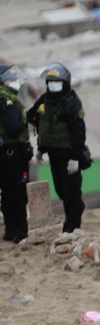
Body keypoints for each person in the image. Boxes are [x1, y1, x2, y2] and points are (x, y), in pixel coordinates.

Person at [27, 63, 88, 234]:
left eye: (57, 82)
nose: (53, 85)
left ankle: (73, 225)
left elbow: (79, 131)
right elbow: (35, 118)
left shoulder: (72, 102)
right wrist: (41, 148)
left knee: (72, 191)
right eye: (50, 82)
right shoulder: (45, 100)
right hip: (54, 153)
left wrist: (75, 157)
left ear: (65, 82)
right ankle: (69, 221)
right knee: (61, 189)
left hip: (69, 153)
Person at [0, 64, 31, 243]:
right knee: (18, 192)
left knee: (6, 192)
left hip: (4, 152)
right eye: (11, 79)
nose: (15, 82)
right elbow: (13, 127)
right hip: (13, 153)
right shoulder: (8, 99)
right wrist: (23, 123)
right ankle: (20, 232)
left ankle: (9, 231)